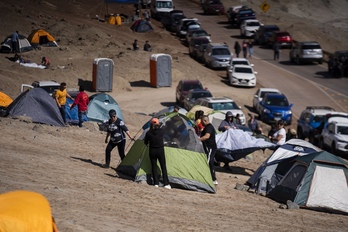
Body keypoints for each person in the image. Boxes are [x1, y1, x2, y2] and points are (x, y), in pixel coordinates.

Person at [144, 118, 171, 189]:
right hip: (160, 150)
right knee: (163, 166)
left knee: (154, 166)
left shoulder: (148, 133)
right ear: (158, 124)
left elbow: (145, 142)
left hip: (152, 150)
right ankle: (166, 183)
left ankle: (156, 183)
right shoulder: (161, 131)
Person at [200, 115, 218, 185]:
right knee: (207, 161)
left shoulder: (209, 127)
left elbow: (207, 136)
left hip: (211, 148)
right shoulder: (207, 127)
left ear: (205, 121)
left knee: (209, 162)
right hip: (208, 147)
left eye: (202, 122)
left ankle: (213, 179)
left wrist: (198, 139)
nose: (201, 123)